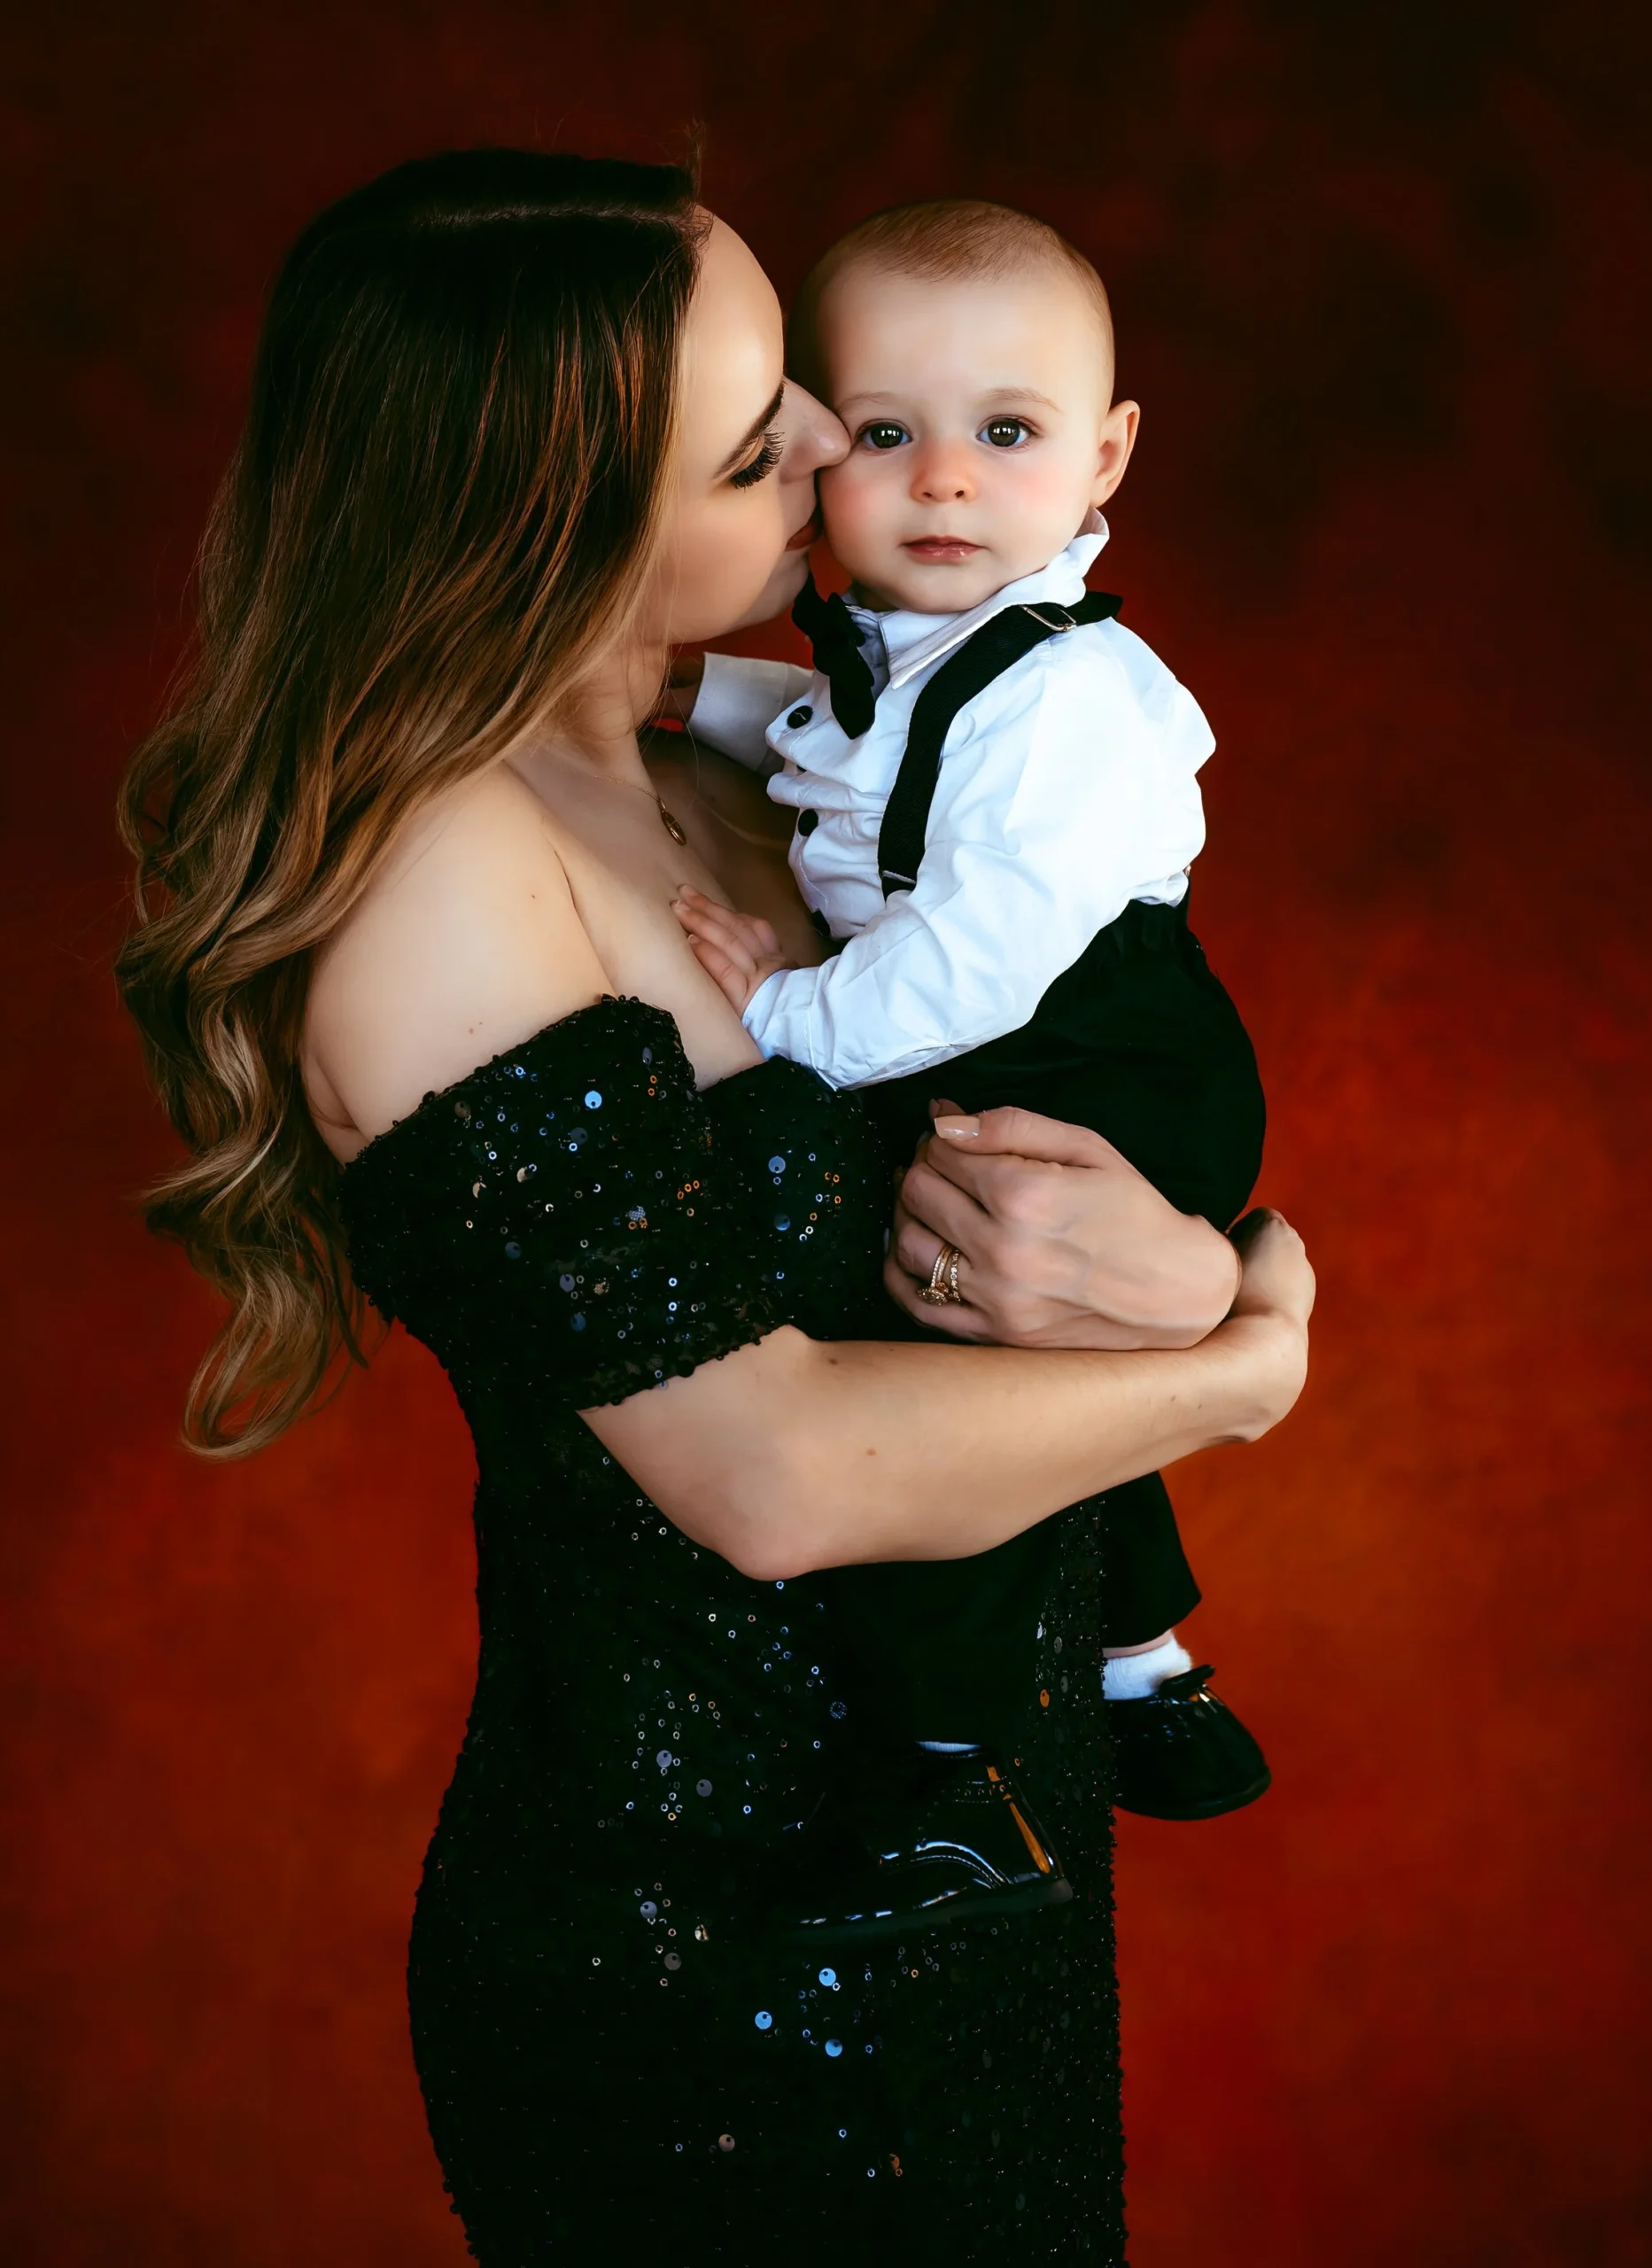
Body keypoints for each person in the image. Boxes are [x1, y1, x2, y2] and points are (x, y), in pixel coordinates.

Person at [116, 148, 1312, 2264]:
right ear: (561, 516)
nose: (863, 475)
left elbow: (1037, 1127)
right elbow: (768, 1468)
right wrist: (1248, 1364)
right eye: (781, 444)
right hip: (717, 1947)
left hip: (981, 1874)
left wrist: (1186, 1258)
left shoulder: (730, 780)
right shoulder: (442, 880)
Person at [668, 200, 1271, 1943]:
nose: (942, 482)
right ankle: (1145, 1661)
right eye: (882, 432)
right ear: (807, 454)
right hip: (994, 1019)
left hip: (1107, 1043)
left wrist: (785, 1015)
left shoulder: (1081, 704)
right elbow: (815, 746)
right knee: (1030, 1338)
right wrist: (662, 686)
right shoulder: (915, 653)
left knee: (961, 1364)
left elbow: (980, 957)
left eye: (1002, 433)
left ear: (1104, 457)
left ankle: (952, 1778)